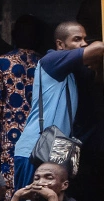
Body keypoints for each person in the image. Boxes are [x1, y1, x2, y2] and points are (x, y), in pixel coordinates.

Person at [13, 21, 104, 190]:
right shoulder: (51, 60)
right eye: (77, 39)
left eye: (85, 39)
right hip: (34, 150)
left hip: (53, 152)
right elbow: (98, 48)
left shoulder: (70, 72)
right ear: (60, 44)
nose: (83, 43)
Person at [0, 15, 43, 197]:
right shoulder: (45, 64)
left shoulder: (0, 63)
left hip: (12, 135)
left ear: (13, 34)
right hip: (40, 135)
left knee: (11, 188)